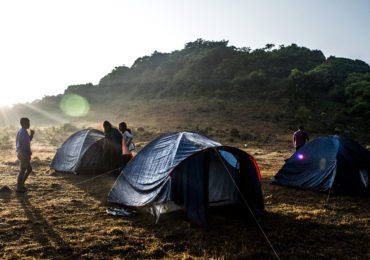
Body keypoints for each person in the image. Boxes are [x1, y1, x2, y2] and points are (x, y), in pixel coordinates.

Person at [16, 117, 35, 192]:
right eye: (28, 123)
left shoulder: (22, 131)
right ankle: (19, 187)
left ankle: (20, 186)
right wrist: (26, 154)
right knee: (26, 170)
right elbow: (24, 144)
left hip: (22, 153)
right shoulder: (23, 132)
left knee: (23, 169)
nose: (29, 124)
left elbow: (27, 141)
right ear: (24, 123)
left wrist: (31, 135)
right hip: (23, 153)